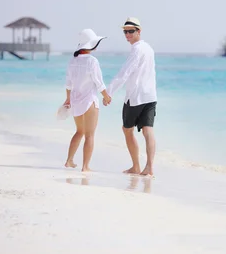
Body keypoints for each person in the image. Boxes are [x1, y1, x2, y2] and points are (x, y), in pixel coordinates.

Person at [106, 17, 157, 176]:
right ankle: (148, 168)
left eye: (130, 31)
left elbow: (124, 73)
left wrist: (109, 92)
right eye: (125, 31)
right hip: (150, 95)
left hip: (135, 97)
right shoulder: (148, 48)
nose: (127, 34)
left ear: (139, 31)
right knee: (148, 130)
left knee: (127, 130)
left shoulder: (136, 49)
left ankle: (136, 166)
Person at [63, 28, 112, 172]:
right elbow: (99, 82)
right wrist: (106, 96)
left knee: (79, 131)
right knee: (90, 135)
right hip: (89, 101)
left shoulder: (72, 61)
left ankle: (69, 161)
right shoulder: (92, 61)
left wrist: (67, 99)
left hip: (76, 101)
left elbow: (68, 84)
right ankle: (85, 166)